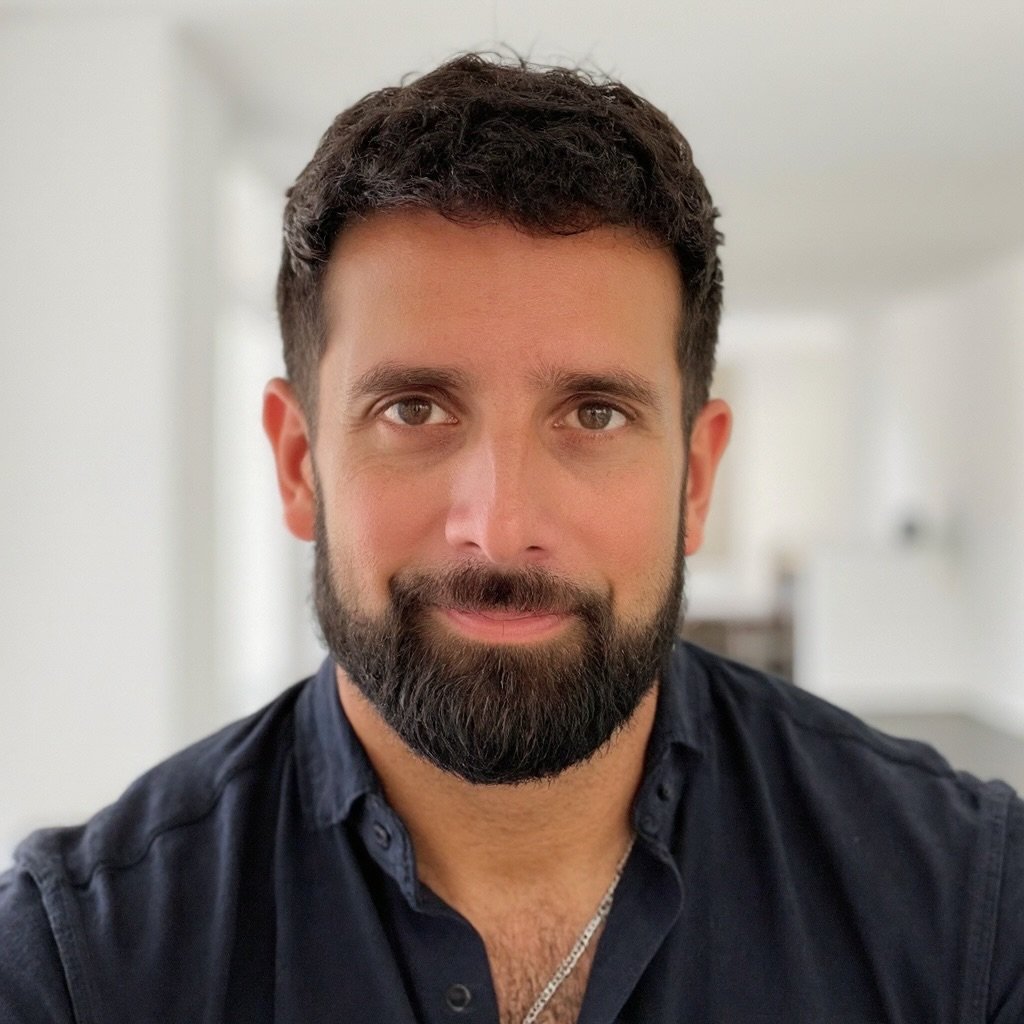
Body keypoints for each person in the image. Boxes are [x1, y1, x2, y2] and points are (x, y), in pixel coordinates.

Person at [1, 52, 1021, 1024]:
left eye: (595, 414)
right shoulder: (77, 965)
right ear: (299, 462)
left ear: (696, 477)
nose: (499, 529)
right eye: (412, 409)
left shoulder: (969, 913)